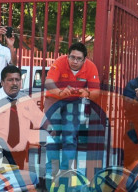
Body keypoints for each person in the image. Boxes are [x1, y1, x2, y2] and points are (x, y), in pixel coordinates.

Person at [43, 42, 101, 178]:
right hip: (54, 100)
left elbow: (96, 92)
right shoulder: (59, 62)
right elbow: (48, 82)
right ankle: (51, 172)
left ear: (84, 59)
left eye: (78, 59)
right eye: (72, 57)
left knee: (70, 137)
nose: (74, 61)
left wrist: (85, 92)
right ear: (67, 56)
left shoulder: (91, 67)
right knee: (53, 136)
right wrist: (60, 92)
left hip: (74, 102)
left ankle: (65, 172)